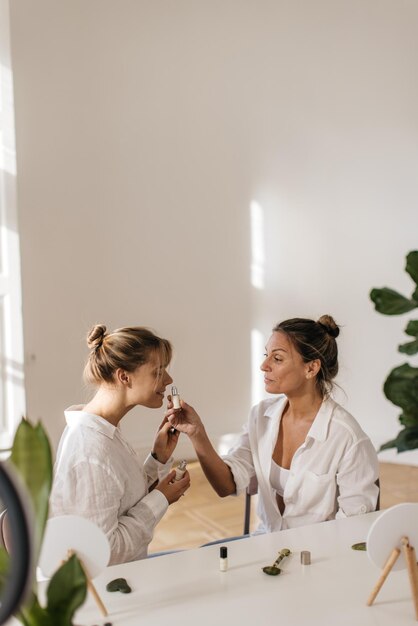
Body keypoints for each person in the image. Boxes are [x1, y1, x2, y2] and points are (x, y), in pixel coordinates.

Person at [166, 315, 379, 534]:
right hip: (264, 544)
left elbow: (354, 531)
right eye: (266, 355)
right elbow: (226, 485)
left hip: (318, 558)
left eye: (277, 359)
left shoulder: (348, 439)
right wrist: (196, 433)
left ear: (311, 368)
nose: (263, 365)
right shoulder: (261, 416)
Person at [50, 324, 190, 564]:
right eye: (158, 371)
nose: (168, 379)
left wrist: (157, 458)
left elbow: (119, 499)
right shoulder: (91, 451)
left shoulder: (104, 431)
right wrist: (161, 498)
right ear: (124, 376)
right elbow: (104, 552)